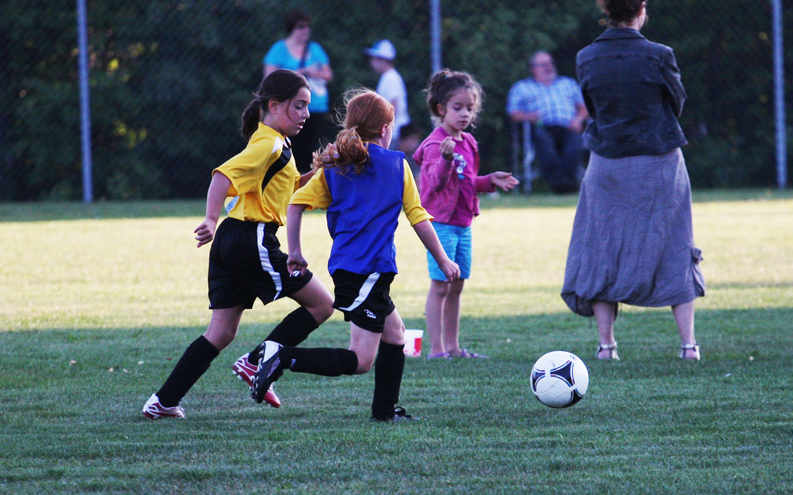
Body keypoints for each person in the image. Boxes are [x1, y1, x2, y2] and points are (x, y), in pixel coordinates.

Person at [251, 90, 460, 422]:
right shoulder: (396, 165)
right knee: (360, 361)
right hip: (368, 270)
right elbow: (418, 217)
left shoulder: (335, 165)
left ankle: (384, 411)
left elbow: (296, 203)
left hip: (354, 269)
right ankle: (281, 357)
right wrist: (444, 259)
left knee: (396, 335)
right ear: (384, 129)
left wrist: (295, 250)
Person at [143, 69, 334, 419]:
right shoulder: (269, 144)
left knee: (221, 332)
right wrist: (210, 219)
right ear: (274, 106)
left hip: (235, 241)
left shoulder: (277, 144)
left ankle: (163, 401)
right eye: (299, 105)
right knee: (322, 305)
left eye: (307, 106)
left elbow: (289, 190)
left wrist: (324, 168)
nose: (306, 113)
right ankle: (255, 362)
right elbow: (222, 174)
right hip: (252, 238)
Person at [561, 0, 705, 362]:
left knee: (603, 247)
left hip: (606, 164)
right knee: (675, 243)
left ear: (606, 8)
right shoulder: (660, 55)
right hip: (660, 162)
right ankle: (687, 345)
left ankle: (607, 346)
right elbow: (676, 103)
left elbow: (593, 109)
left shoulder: (586, 57)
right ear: (641, 7)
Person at [413, 70, 518, 360]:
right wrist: (446, 160)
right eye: (458, 108)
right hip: (441, 226)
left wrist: (489, 181)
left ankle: (454, 348)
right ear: (441, 109)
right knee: (440, 286)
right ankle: (436, 350)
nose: (464, 114)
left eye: (470, 109)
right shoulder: (437, 144)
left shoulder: (469, 143)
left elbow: (467, 182)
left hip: (463, 224)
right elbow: (434, 183)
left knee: (456, 287)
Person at [506, 51, 589, 193]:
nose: (548, 67)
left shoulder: (568, 83)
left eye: (550, 63)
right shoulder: (522, 87)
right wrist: (529, 116)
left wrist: (579, 120)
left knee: (575, 143)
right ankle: (560, 183)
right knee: (544, 142)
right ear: (533, 69)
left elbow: (584, 107)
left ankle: (566, 182)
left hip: (569, 126)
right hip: (542, 127)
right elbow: (513, 113)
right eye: (543, 64)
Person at [263, 10, 334, 172]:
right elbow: (269, 78)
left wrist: (309, 72)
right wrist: (296, 74)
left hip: (314, 107)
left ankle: (305, 186)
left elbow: (328, 74)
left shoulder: (315, 49)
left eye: (307, 27)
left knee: (310, 148)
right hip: (289, 107)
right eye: (300, 27)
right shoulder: (279, 49)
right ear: (292, 28)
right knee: (289, 146)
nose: (305, 31)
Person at [366, 39, 410, 150]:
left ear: (383, 60)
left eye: (374, 58)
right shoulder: (387, 77)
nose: (372, 62)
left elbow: (393, 106)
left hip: (394, 133)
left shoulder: (390, 78)